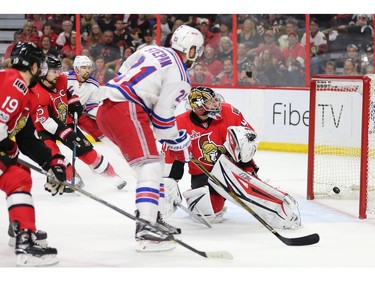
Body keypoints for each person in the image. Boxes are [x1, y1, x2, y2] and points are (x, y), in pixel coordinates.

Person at [96, 25, 204, 252]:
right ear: (192, 50)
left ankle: (153, 216)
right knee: (151, 166)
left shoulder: (151, 50)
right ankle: (146, 228)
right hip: (127, 109)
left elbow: (125, 69)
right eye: (197, 50)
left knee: (150, 163)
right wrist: (178, 140)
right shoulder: (181, 75)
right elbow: (163, 118)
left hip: (106, 108)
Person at [163, 86, 301, 230]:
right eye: (210, 102)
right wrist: (171, 181)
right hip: (204, 173)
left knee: (247, 190)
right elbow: (172, 158)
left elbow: (249, 138)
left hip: (232, 166)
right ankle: (215, 199)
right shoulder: (180, 124)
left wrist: (243, 148)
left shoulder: (229, 111)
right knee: (208, 214)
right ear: (199, 108)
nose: (217, 104)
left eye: (215, 99)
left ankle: (280, 210)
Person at [0, 42, 63, 266]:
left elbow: (25, 137)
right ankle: (25, 240)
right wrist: (6, 147)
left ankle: (17, 228)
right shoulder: (13, 84)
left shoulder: (20, 90)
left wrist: (52, 162)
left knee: (17, 174)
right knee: (17, 177)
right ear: (34, 66)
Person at [31, 55, 126, 191]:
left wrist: (74, 102)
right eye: (54, 71)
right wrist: (65, 133)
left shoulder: (61, 79)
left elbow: (68, 93)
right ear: (43, 72)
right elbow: (46, 122)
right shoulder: (37, 92)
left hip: (65, 121)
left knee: (84, 149)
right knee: (53, 154)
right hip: (43, 130)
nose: (58, 74)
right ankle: (71, 177)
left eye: (59, 70)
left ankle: (112, 176)